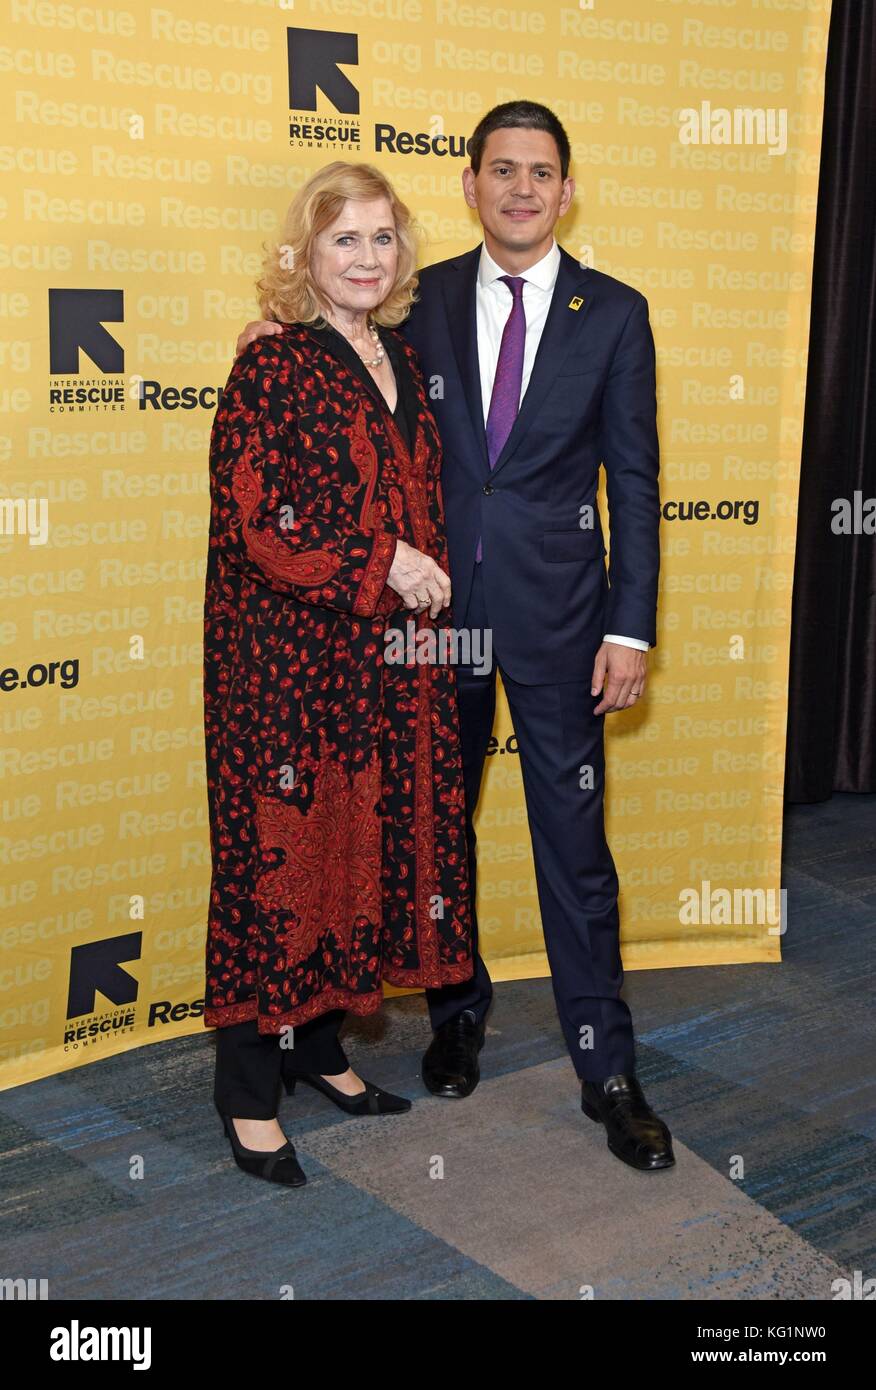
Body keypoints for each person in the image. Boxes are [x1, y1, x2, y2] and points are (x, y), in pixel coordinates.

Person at [238, 101, 674, 1173]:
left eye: (542, 172)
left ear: (567, 191)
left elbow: (637, 482)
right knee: (430, 822)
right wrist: (264, 337)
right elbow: (329, 367)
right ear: (472, 187)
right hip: (428, 624)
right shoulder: (413, 302)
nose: (521, 189)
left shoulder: (615, 312)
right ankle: (456, 1014)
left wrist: (630, 625)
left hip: (565, 621)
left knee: (575, 851)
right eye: (501, 170)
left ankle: (605, 1068)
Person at [204, 161, 474, 1187]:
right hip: (285, 667)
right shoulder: (270, 366)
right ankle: (245, 1088)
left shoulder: (402, 352)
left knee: (355, 850)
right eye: (344, 240)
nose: (368, 257)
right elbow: (250, 525)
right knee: (278, 863)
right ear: (304, 256)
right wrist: (381, 564)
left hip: (386, 665)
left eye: (383, 237)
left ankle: (317, 1049)